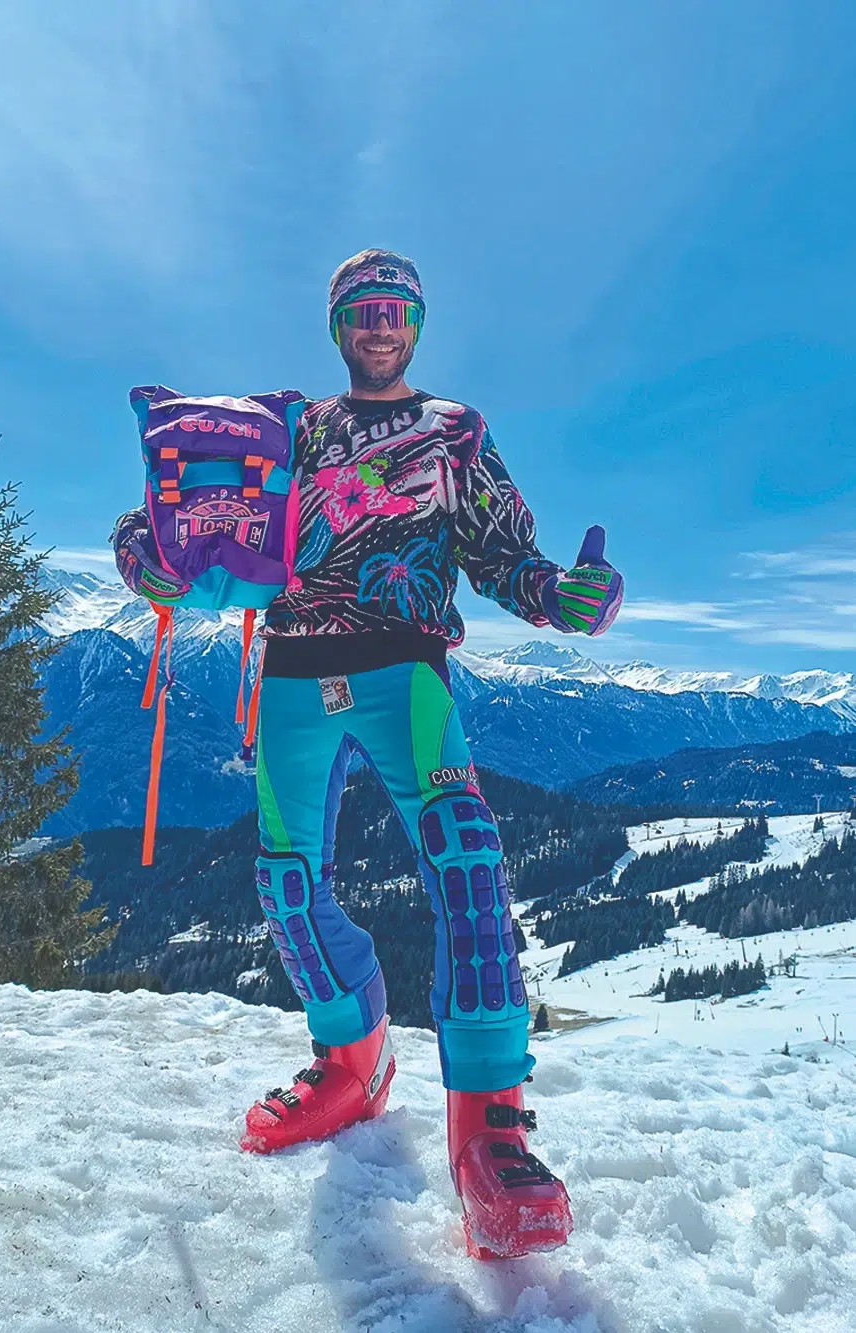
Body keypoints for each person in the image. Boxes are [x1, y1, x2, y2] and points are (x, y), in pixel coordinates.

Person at [240, 249, 623, 1258]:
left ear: (416, 324)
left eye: (395, 309)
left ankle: (489, 1132)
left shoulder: (454, 430)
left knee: (465, 861)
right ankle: (352, 1063)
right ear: (337, 326)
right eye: (361, 309)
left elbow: (502, 554)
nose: (379, 324)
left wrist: (558, 596)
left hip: (404, 671)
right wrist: (146, 549)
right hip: (290, 671)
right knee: (286, 881)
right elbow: (201, 514)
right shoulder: (290, 429)